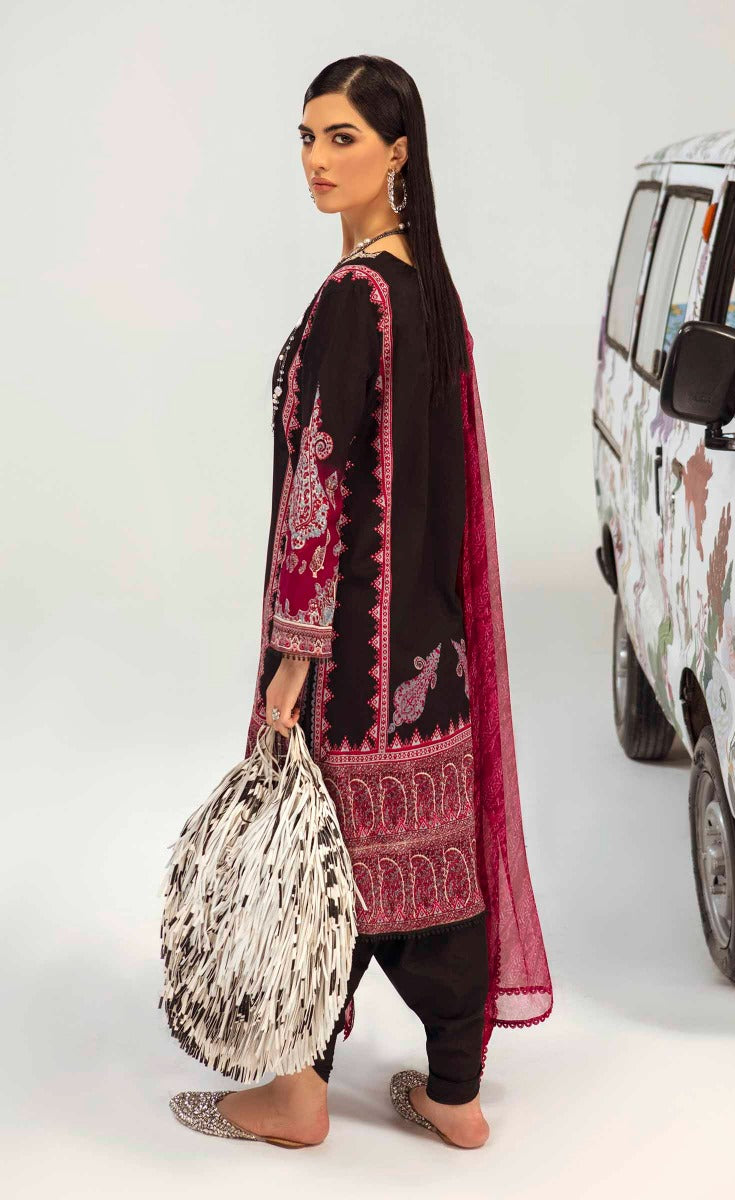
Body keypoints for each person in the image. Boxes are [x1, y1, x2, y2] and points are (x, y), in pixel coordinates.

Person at [169, 54, 552, 1152]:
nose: (316, 160)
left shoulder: (355, 296)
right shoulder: (429, 287)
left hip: (346, 657)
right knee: (434, 878)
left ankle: (296, 1095)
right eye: (306, 136)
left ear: (398, 151)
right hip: (431, 655)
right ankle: (455, 1095)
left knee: (315, 865)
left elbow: (318, 483)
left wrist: (292, 660)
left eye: (341, 137)